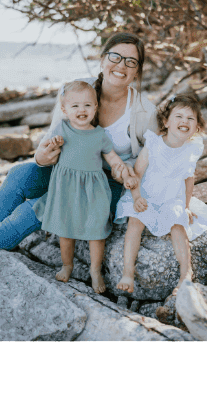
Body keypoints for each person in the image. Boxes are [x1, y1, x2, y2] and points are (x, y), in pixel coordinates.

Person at [0, 32, 158, 252]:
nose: (121, 65)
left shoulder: (145, 111)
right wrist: (41, 157)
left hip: (108, 185)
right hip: (69, 171)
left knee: (40, 206)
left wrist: (128, 172)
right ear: (103, 59)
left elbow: (153, 162)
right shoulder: (76, 90)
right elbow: (50, 142)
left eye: (131, 61)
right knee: (20, 174)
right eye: (115, 57)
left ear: (137, 70)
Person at [32, 81, 136, 293]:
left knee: (96, 231)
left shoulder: (99, 135)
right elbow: (49, 149)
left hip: (93, 191)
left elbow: (113, 158)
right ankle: (67, 265)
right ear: (64, 110)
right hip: (66, 190)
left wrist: (123, 170)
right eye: (75, 106)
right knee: (65, 230)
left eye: (87, 105)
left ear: (96, 107)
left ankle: (95, 270)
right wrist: (55, 143)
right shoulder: (62, 129)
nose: (82, 110)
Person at [115, 94, 207, 294]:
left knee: (178, 224)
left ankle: (186, 274)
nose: (184, 122)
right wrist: (136, 198)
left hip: (171, 198)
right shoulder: (154, 144)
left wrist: (186, 207)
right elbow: (136, 174)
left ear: (197, 126)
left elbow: (188, 179)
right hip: (146, 194)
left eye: (190, 118)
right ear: (166, 122)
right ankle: (128, 272)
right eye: (179, 116)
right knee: (135, 222)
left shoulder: (192, 149)